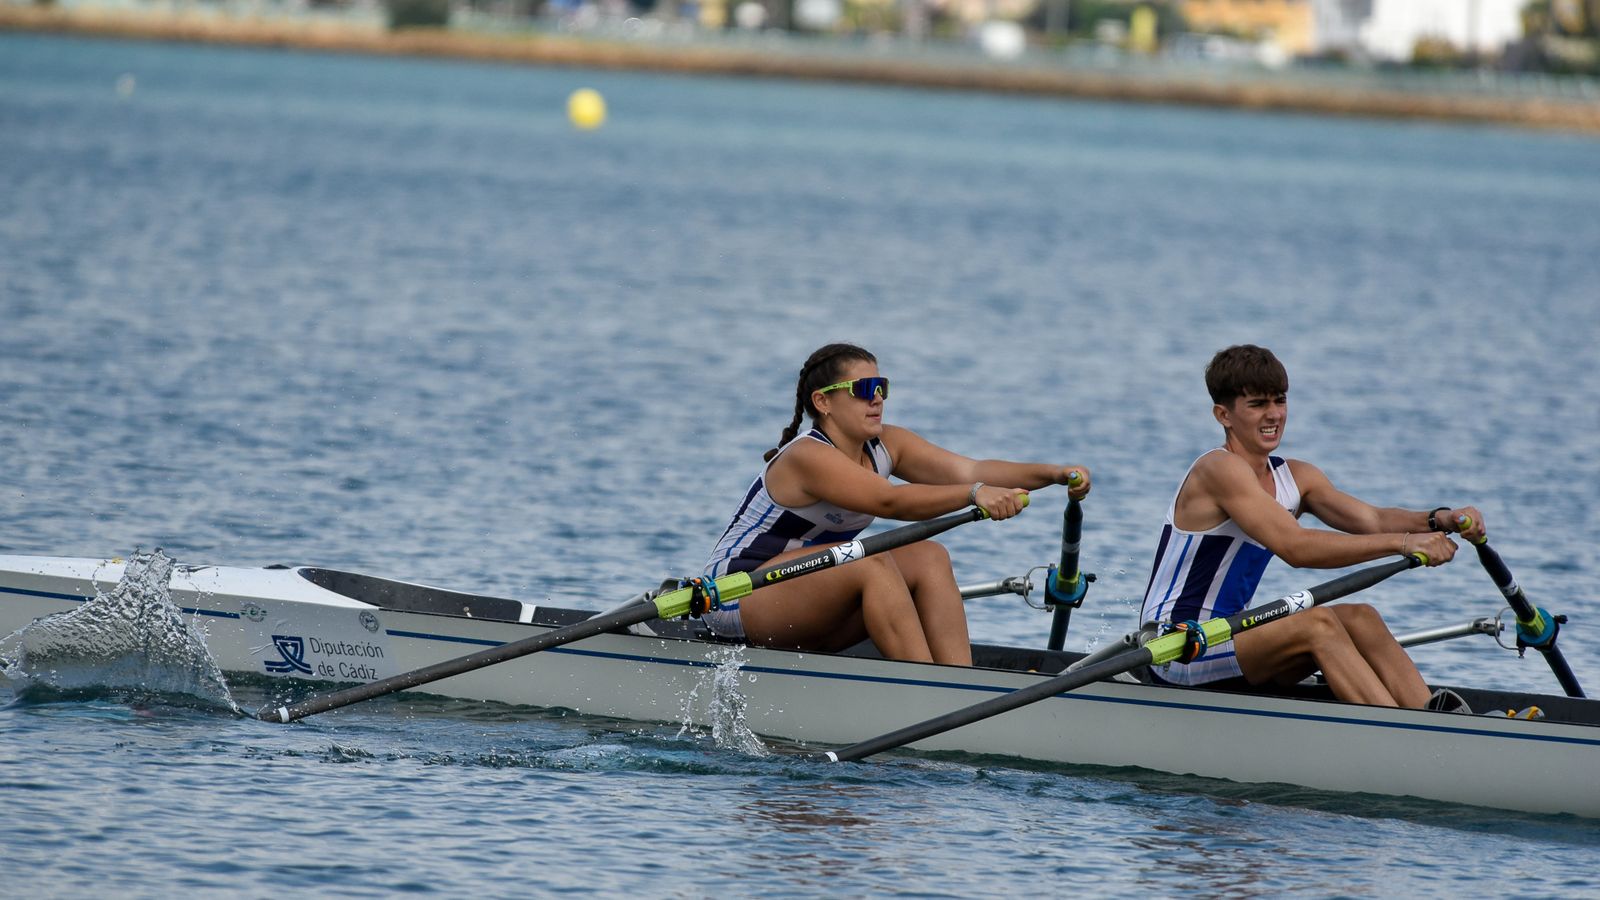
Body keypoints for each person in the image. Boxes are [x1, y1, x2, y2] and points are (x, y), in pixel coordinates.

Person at [702, 342, 1090, 666]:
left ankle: (961, 686)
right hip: (739, 596)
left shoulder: (889, 444)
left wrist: (1053, 474)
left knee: (929, 557)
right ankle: (920, 691)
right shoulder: (808, 456)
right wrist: (974, 493)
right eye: (863, 387)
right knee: (871, 562)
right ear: (823, 402)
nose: (877, 399)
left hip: (806, 596)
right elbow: (891, 500)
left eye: (882, 387)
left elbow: (971, 467)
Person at [1140, 344, 1483, 708]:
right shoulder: (1218, 470)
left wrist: (1440, 519)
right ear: (1223, 415)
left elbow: (1372, 519)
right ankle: (1398, 737)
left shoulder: (1296, 477)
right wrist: (1404, 543)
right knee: (1318, 624)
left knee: (1362, 617)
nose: (1273, 415)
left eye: (1280, 401)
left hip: (1236, 637)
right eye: (1257, 404)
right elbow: (1296, 547)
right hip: (1177, 646)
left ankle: (1428, 720)